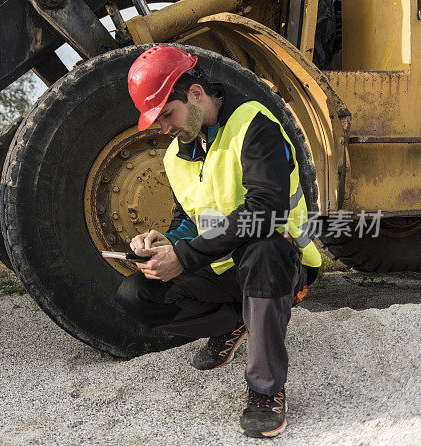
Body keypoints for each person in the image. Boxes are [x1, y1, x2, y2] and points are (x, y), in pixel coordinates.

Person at [117, 45, 321, 438]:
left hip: (282, 260)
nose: (164, 129)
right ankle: (236, 322)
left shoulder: (254, 125)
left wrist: (186, 257)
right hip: (223, 265)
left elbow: (266, 210)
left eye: (166, 115)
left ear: (195, 95)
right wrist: (167, 241)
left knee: (266, 249)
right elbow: (190, 218)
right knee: (136, 295)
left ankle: (266, 390)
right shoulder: (177, 156)